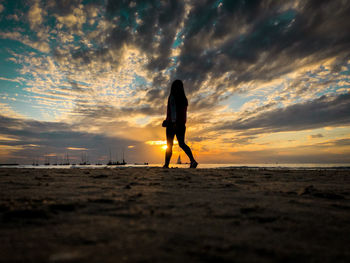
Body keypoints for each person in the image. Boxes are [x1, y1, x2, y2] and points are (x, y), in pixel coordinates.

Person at [163, 80, 198, 168]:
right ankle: (193, 161)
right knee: (182, 143)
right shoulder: (184, 98)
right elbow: (182, 113)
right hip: (182, 124)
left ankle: (166, 165)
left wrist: (172, 122)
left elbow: (173, 110)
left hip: (172, 124)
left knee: (169, 145)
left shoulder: (173, 96)